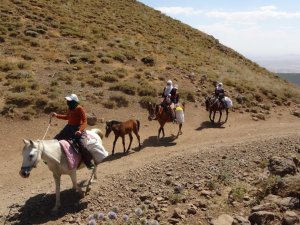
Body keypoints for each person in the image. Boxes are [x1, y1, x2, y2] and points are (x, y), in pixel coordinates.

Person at [51, 93, 94, 169]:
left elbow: (84, 121)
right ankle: (51, 157)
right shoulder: (70, 109)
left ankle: (89, 162)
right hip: (68, 128)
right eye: (67, 100)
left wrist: (80, 131)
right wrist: (56, 115)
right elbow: (67, 117)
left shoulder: (79, 108)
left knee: (82, 145)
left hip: (78, 128)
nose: (68, 102)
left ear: (74, 101)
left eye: (69, 101)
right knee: (55, 139)